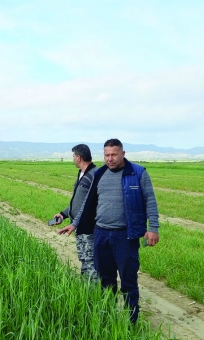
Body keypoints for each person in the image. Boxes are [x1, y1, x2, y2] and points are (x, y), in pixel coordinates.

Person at [58, 138, 159, 325]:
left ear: (123, 154)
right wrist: (75, 223)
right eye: (106, 155)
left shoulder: (138, 173)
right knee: (106, 280)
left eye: (114, 154)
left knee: (128, 281)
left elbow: (150, 201)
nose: (110, 159)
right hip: (101, 234)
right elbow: (87, 204)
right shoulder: (99, 174)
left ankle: (131, 322)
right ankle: (108, 318)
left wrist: (153, 228)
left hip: (125, 236)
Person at [53, 144, 98, 283]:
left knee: (90, 260)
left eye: (73, 156)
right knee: (84, 258)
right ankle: (86, 289)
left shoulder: (94, 175)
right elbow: (78, 201)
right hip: (78, 225)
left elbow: (90, 204)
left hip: (89, 226)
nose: (73, 159)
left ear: (78, 157)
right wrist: (63, 214)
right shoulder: (81, 174)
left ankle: (95, 293)